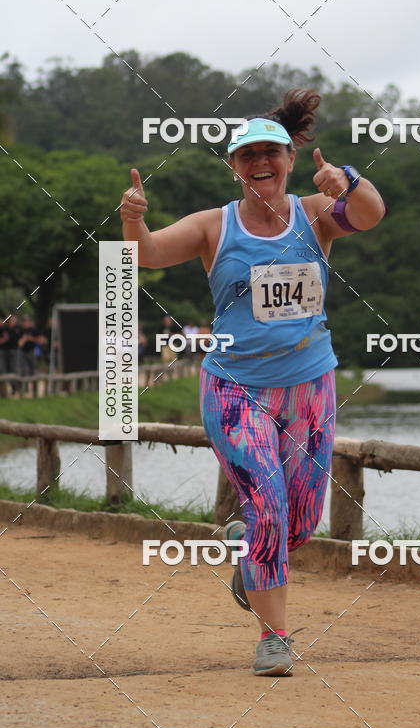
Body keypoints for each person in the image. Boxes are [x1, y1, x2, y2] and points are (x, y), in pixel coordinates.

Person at [119, 88, 387, 676]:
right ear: (234, 166)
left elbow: (370, 215)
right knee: (268, 509)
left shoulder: (316, 214)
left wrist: (347, 180)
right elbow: (148, 254)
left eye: (271, 153)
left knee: (300, 523)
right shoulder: (214, 226)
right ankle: (274, 637)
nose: (260, 163)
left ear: (289, 159)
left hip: (310, 387)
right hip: (236, 390)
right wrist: (132, 221)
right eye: (248, 156)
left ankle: (251, 552)